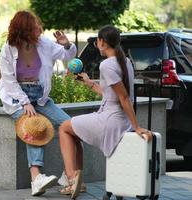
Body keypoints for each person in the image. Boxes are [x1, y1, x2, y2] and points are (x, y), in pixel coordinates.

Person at [58, 25, 152, 199]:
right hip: (116, 118)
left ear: (102, 42)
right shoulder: (125, 61)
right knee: (73, 132)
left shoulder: (107, 65)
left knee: (64, 128)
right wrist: (89, 83)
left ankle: (72, 179)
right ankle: (78, 182)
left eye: (96, 42)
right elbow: (114, 95)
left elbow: (124, 98)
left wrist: (136, 127)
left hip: (110, 121)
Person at [0, 10, 77, 196]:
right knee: (34, 125)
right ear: (24, 29)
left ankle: (68, 176)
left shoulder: (44, 43)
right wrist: (25, 103)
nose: (39, 29)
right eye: (34, 26)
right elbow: (8, 79)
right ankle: (36, 178)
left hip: (40, 96)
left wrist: (67, 46)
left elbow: (67, 56)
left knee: (69, 125)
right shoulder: (8, 48)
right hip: (16, 97)